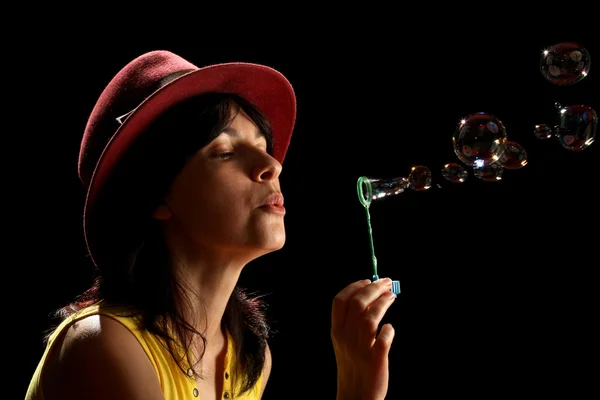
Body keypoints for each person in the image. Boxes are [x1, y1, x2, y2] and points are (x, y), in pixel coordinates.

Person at [25, 50, 397, 400]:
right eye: (225, 152)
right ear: (157, 196)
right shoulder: (106, 346)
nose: (273, 165)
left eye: (262, 144)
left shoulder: (247, 356)